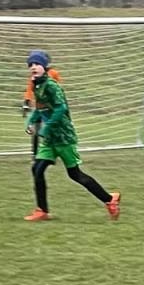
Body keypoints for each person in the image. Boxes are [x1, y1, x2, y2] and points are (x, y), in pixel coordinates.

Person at [24, 51, 121, 222]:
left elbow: (61, 109)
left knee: (75, 174)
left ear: (44, 67)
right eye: (30, 65)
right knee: (37, 169)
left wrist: (47, 128)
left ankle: (109, 200)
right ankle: (42, 210)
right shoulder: (37, 86)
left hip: (63, 137)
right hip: (50, 140)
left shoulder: (52, 86)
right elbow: (40, 109)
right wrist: (31, 122)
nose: (33, 67)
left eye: (36, 64)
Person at [22, 59, 64, 157]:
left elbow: (57, 87)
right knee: (36, 131)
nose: (34, 66)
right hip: (39, 107)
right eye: (32, 64)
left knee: (51, 129)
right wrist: (26, 102)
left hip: (49, 108)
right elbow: (29, 89)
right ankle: (35, 153)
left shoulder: (53, 73)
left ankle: (56, 150)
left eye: (37, 63)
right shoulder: (34, 76)